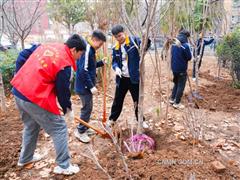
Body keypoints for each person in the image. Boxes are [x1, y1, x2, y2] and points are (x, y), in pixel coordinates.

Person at [11, 34, 86, 175]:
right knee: (60, 128)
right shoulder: (65, 64)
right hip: (33, 96)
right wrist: (68, 110)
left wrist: (20, 74)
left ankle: (25, 158)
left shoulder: (47, 45)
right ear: (74, 50)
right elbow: (63, 92)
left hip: (18, 90)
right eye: (80, 54)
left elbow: (23, 53)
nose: (79, 58)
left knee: (31, 125)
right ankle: (64, 166)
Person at [105, 24, 151, 128]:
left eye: (120, 35)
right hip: (122, 79)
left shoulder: (134, 42)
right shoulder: (116, 47)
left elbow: (145, 46)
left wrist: (146, 37)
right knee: (117, 100)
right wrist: (116, 68)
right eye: (116, 37)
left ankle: (141, 120)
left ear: (124, 32)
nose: (118, 38)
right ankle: (112, 119)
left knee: (137, 100)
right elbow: (114, 62)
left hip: (134, 78)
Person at [74, 30, 106, 143]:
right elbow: (83, 70)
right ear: (94, 40)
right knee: (86, 109)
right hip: (84, 87)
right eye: (100, 44)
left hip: (85, 85)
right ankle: (80, 132)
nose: (100, 47)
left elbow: (90, 66)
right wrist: (91, 86)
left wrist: (100, 62)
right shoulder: (87, 49)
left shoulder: (90, 49)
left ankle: (84, 128)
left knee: (88, 108)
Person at [170, 29, 192, 109]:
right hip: (181, 69)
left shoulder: (174, 44)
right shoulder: (185, 46)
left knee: (176, 83)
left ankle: (172, 99)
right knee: (181, 86)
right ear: (186, 36)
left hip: (174, 68)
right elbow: (189, 57)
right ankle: (177, 102)